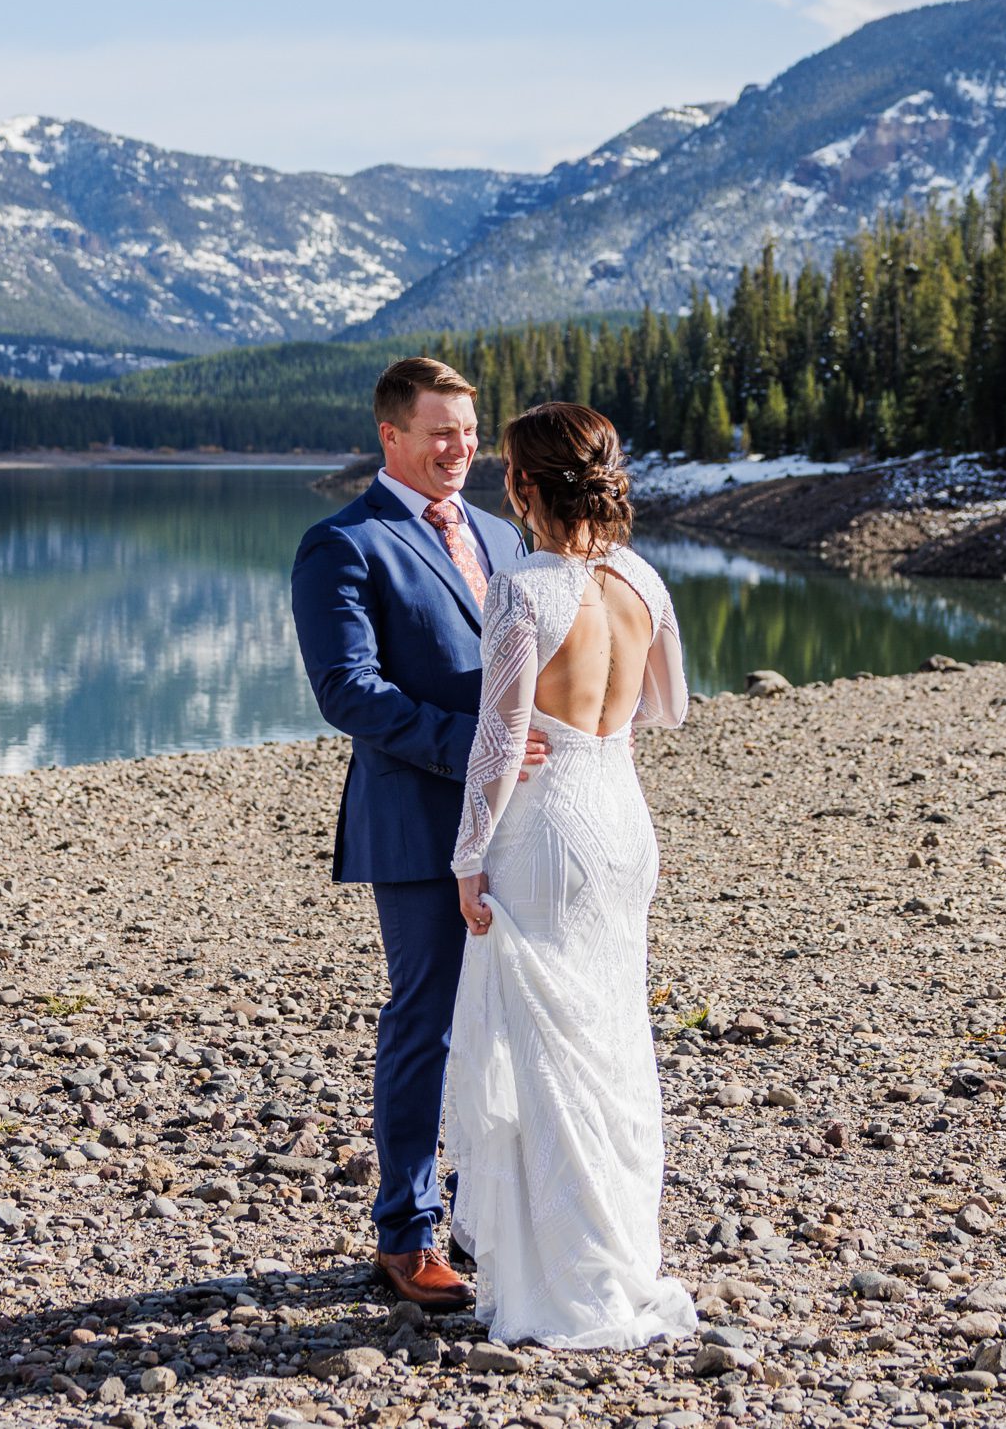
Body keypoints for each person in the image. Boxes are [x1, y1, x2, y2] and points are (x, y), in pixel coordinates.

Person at [441, 401, 697, 1349]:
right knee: (614, 1039)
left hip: (546, 833)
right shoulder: (641, 578)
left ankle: (560, 1284)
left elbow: (500, 735)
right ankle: (622, 1258)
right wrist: (601, 718)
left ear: (522, 485)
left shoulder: (524, 587)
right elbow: (669, 704)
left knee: (547, 1055)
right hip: (622, 819)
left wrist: (468, 856)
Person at [290, 357, 542, 1312]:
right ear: (390, 436)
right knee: (426, 1023)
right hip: (420, 819)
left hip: (522, 822)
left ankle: (499, 1219)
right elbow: (348, 692)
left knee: (514, 1018)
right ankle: (407, 1232)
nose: (460, 449)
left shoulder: (498, 532)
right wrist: (480, 752)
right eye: (440, 432)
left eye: (469, 431)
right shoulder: (343, 544)